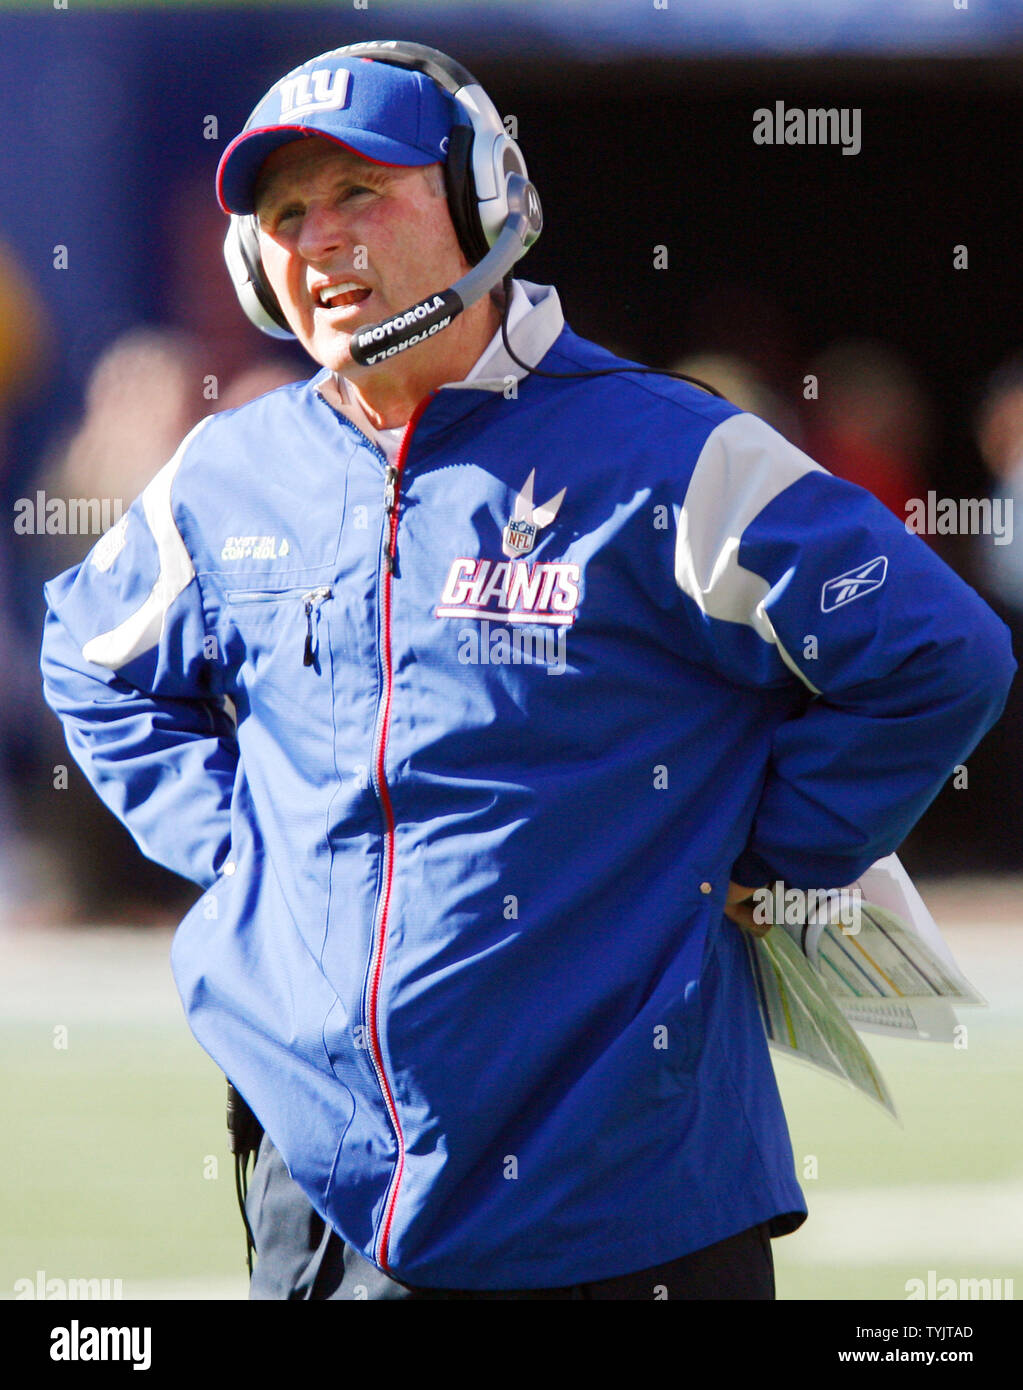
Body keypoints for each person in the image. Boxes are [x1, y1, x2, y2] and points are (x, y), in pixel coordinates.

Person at [40, 41, 1015, 1300]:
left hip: (628, 1206)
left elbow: (940, 655)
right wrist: (240, 850)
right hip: (331, 1207)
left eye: (362, 193)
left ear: (484, 198)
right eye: (285, 214)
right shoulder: (229, 474)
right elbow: (92, 658)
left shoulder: (671, 454)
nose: (320, 239)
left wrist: (758, 849)